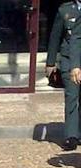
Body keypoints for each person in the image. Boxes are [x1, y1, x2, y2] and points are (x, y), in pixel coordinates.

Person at [47, 0, 80, 150]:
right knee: (72, 95)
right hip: (69, 59)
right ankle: (71, 136)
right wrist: (50, 62)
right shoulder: (65, 10)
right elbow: (55, 36)